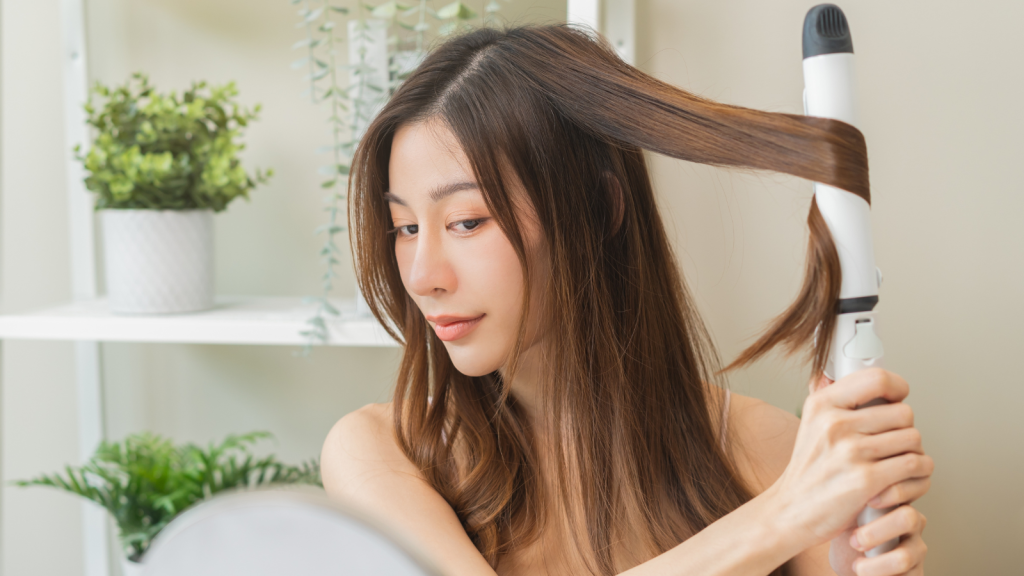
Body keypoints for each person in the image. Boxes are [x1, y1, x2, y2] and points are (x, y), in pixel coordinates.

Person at [321, 24, 932, 576]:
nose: (423, 275)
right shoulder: (379, 456)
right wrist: (780, 518)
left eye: (467, 221)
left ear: (599, 210)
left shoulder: (769, 451)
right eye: (405, 228)